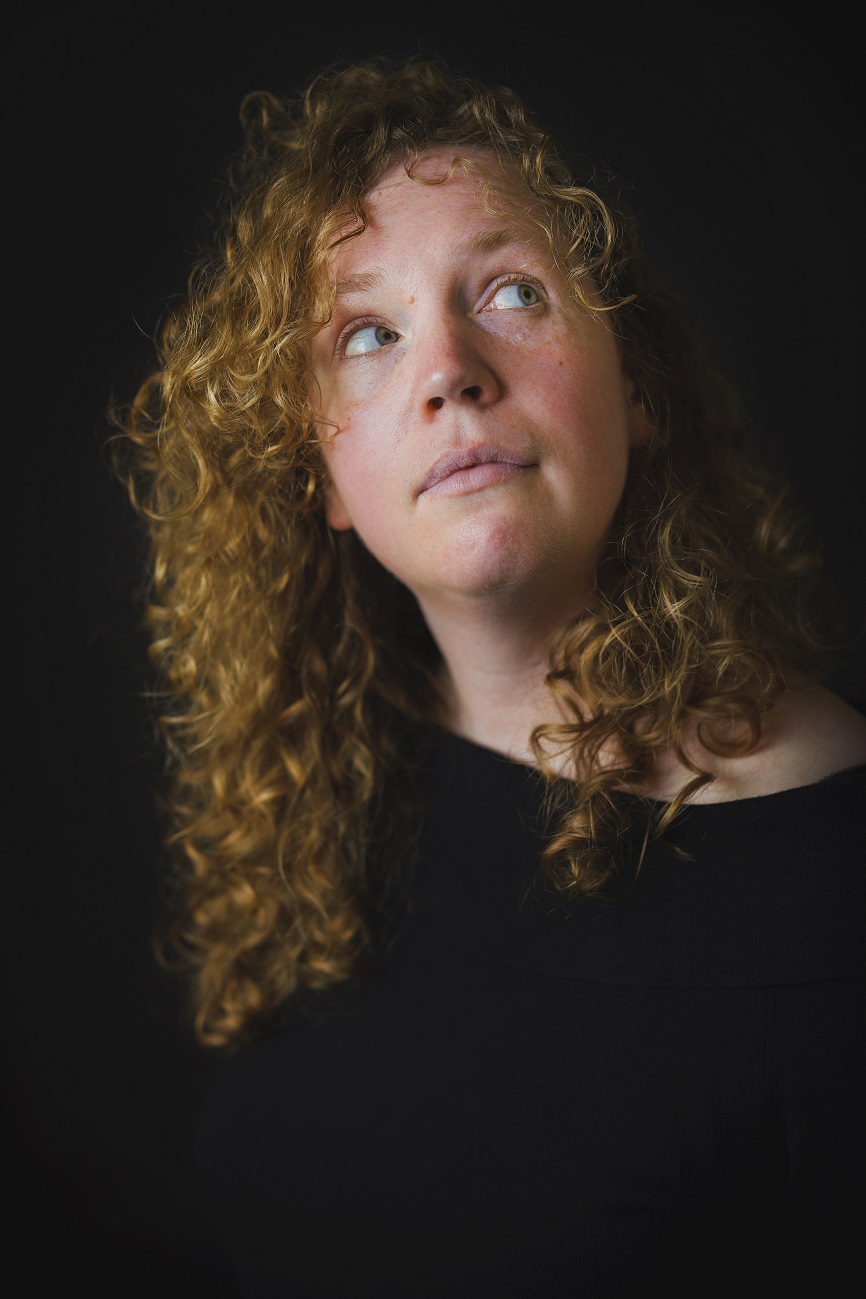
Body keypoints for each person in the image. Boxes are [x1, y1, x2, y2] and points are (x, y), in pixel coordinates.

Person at [114, 56, 866, 1298]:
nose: (447, 369)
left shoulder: (833, 884)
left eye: (511, 292)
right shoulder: (331, 799)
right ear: (326, 484)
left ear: (637, 390)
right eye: (367, 334)